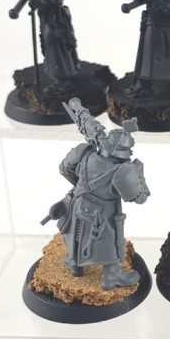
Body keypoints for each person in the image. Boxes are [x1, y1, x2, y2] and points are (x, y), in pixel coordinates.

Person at [46, 99, 150, 289]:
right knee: (110, 241)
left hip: (76, 202)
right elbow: (140, 197)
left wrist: (80, 186)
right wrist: (138, 174)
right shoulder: (123, 171)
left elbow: (64, 169)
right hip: (103, 213)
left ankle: (74, 264)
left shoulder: (84, 153)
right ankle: (111, 276)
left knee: (75, 232)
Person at [9, 0, 80, 94]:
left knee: (57, 50)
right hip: (47, 21)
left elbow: (40, 3)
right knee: (50, 49)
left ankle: (64, 81)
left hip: (56, 23)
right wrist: (17, 9)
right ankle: (62, 78)